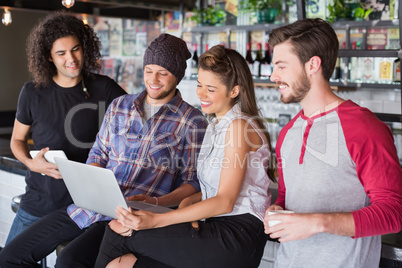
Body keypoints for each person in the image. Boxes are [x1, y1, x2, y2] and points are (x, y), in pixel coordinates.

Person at [0, 33, 208, 267]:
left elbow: (192, 182)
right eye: (149, 70)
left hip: (131, 217)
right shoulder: (120, 106)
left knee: (68, 262)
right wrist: (94, 179)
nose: (154, 79)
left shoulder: (193, 121)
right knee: (10, 256)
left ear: (177, 76)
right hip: (88, 207)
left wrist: (156, 203)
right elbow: (98, 154)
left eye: (163, 72)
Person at [94, 44, 277, 268]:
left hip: (235, 235)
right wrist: (164, 203)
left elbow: (225, 201)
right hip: (215, 226)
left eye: (210, 89)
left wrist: (157, 220)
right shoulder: (215, 125)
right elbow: (210, 190)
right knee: (123, 264)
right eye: (200, 85)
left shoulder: (239, 126)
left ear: (234, 91)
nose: (201, 94)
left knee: (118, 232)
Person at [263, 18, 402, 268]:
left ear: (312, 65)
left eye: (281, 66)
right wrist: (276, 208)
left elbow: (393, 213)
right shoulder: (288, 132)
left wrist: (318, 222)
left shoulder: (363, 127)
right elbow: (287, 194)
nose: (273, 76)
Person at [4, 11, 126, 245]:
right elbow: (17, 140)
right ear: (49, 57)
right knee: (9, 259)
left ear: (84, 47)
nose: (71, 58)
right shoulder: (32, 92)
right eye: (61, 53)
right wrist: (31, 163)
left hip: (85, 209)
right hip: (39, 201)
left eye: (76, 49)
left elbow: (136, 127)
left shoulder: (105, 88)